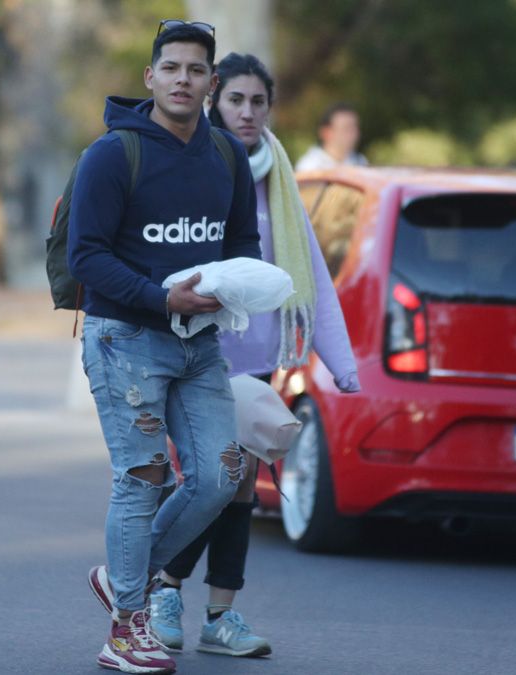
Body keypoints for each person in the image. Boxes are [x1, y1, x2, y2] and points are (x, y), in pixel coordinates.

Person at [149, 53, 360, 658]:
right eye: (235, 100)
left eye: (257, 102)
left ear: (269, 109)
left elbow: (311, 277)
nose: (246, 112)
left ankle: (218, 615)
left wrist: (342, 366)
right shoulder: (196, 167)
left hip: (258, 360)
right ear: (216, 101)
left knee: (239, 483)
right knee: (211, 478)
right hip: (194, 354)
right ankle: (164, 591)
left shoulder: (280, 181)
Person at [69, 20, 261, 675]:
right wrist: (162, 297)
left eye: (196, 69)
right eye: (171, 67)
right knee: (143, 476)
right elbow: (85, 255)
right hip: (125, 338)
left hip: (199, 343)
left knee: (220, 475)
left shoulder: (227, 156)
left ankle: (126, 572)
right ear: (150, 78)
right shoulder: (113, 154)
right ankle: (125, 627)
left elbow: (242, 246)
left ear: (212, 83)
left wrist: (231, 290)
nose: (184, 78)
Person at [294, 102, 369, 172]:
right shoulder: (309, 167)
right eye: (347, 128)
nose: (354, 133)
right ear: (326, 133)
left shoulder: (360, 161)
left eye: (355, 127)